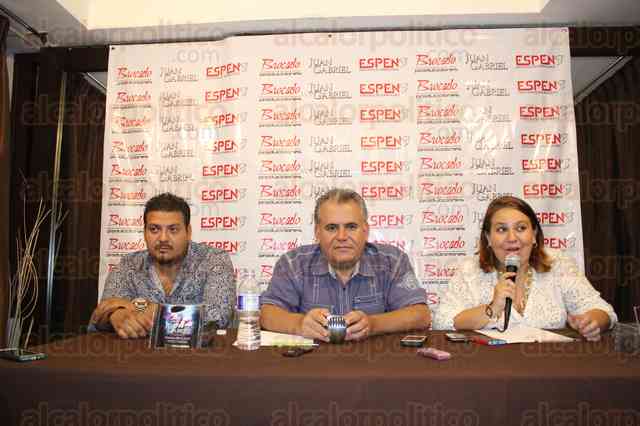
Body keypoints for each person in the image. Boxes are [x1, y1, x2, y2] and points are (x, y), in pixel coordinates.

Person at [432, 196, 617, 341]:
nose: (512, 238)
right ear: (488, 238)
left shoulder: (558, 264)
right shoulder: (470, 270)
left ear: (534, 234)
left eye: (521, 228)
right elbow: (442, 321)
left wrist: (591, 322)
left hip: (551, 365)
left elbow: (603, 311)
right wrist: (492, 308)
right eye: (502, 229)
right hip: (489, 367)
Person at [260, 188, 431, 342]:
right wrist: (299, 324)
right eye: (332, 228)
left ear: (365, 230)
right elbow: (266, 314)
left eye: (351, 227)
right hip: (311, 364)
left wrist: (373, 324)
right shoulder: (292, 264)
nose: (342, 236)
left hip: (374, 362)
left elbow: (421, 315)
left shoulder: (392, 261)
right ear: (317, 232)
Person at [90, 193, 236, 338]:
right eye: (154, 229)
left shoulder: (213, 260)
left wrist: (146, 309)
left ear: (188, 232)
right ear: (144, 232)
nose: (163, 238)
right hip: (138, 352)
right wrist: (115, 315)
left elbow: (217, 318)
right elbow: (100, 316)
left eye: (173, 229)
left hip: (199, 353)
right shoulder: (129, 265)